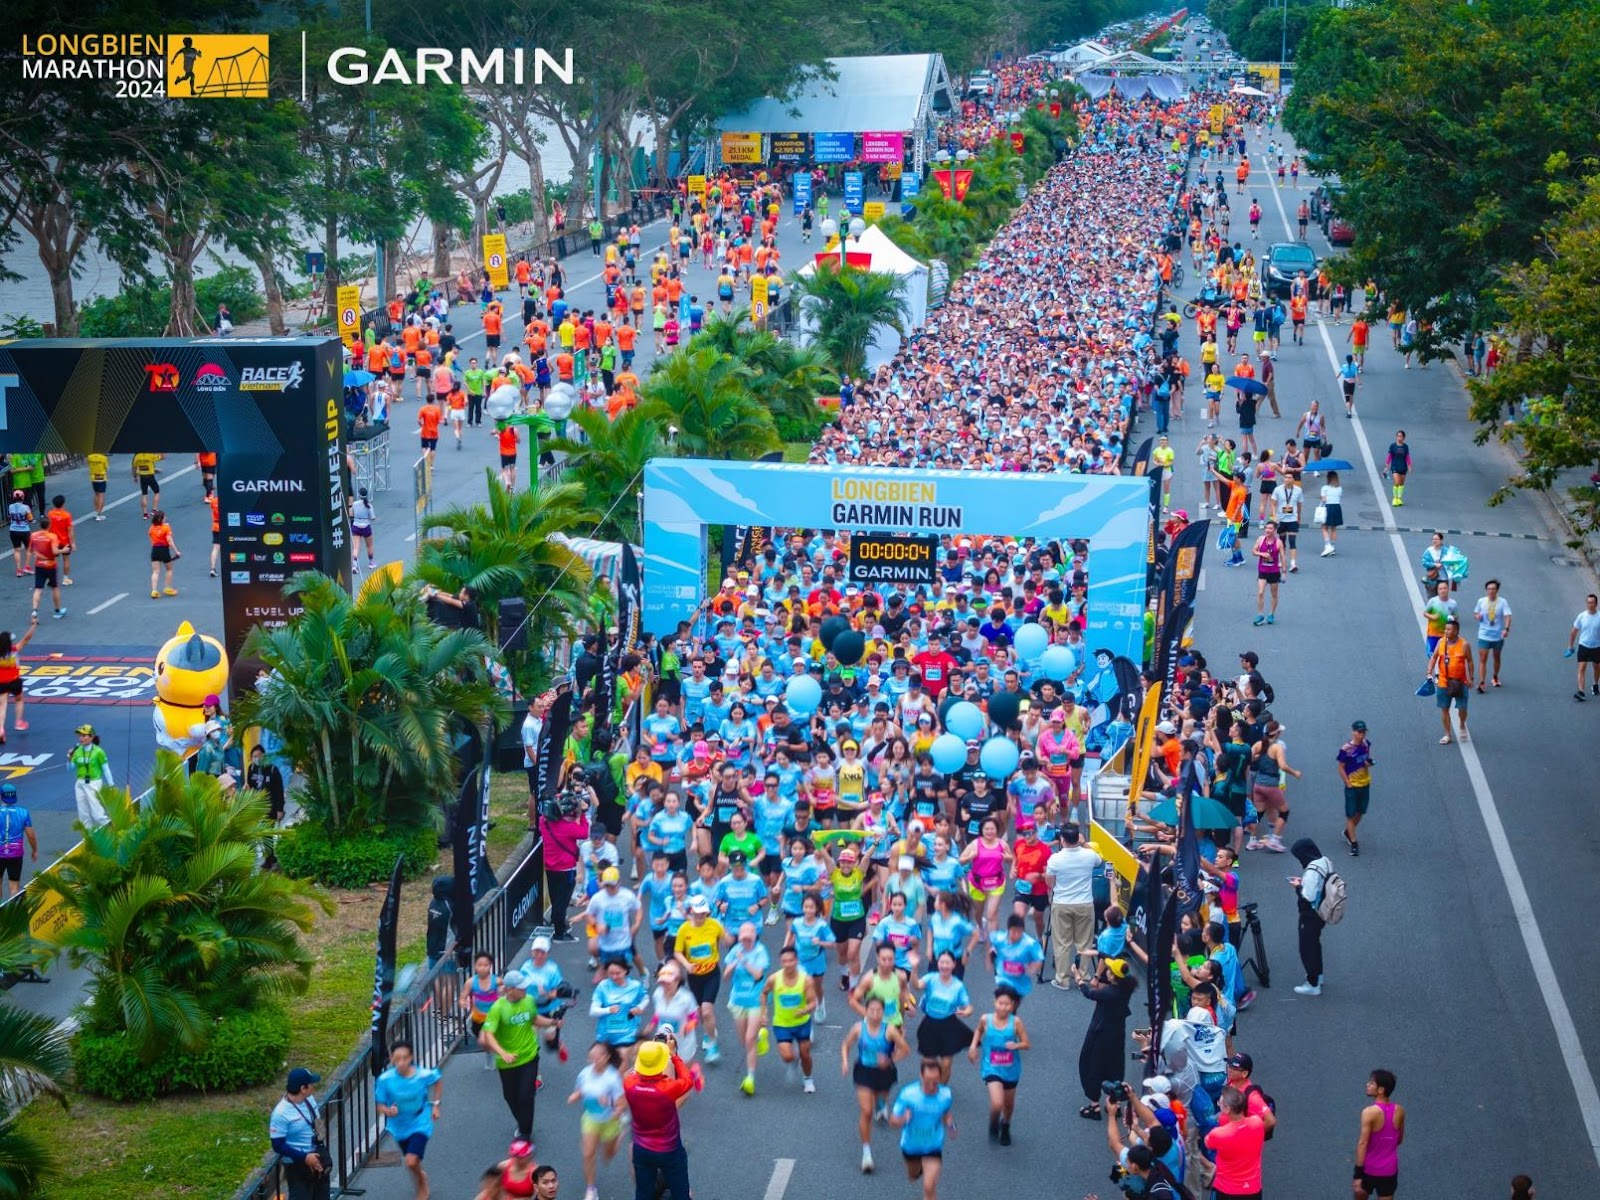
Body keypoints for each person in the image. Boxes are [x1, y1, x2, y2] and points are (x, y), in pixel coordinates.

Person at [481, 969, 563, 1142]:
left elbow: (534, 1019)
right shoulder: (497, 1008)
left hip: (529, 1055)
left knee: (526, 1095)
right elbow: (488, 1035)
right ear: (510, 989)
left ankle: (525, 1133)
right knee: (510, 1097)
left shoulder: (529, 1000)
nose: (525, 990)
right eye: (521, 988)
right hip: (507, 1061)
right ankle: (523, 1122)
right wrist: (502, 1053)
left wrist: (553, 1022)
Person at [622, 1037, 699, 1200]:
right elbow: (687, 1080)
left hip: (642, 1150)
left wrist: (648, 1055)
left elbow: (633, 1072)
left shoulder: (629, 1084)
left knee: (643, 1194)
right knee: (681, 1194)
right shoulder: (668, 1089)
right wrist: (672, 1054)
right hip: (669, 1151)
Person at [842, 991, 910, 1173]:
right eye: (871, 1010)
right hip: (864, 1071)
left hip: (884, 1072)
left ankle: (882, 1103)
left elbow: (905, 1049)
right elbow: (845, 1044)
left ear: (883, 1012)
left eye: (878, 1010)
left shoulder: (889, 1030)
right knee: (866, 1111)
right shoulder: (858, 1028)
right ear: (866, 1010)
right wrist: (845, 1061)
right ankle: (866, 1154)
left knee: (882, 1096)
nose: (874, 1014)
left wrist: (889, 1060)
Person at [374, 1041, 442, 1200]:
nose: (401, 1062)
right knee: (412, 1161)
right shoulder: (385, 1080)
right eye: (397, 1059)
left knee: (411, 1161)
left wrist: (436, 1105)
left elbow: (437, 1079)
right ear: (391, 1058)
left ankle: (421, 1183)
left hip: (420, 1121)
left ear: (411, 1057)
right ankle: (420, 1175)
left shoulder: (422, 1075)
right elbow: (379, 1105)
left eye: (405, 1058)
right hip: (399, 1126)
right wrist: (388, 1111)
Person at [968, 983, 1029, 1145]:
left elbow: (1026, 1043)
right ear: (994, 1002)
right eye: (1000, 1003)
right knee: (997, 1102)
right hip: (991, 1067)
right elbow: (979, 1030)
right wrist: (973, 1046)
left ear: (1012, 1005)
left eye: (1007, 1004)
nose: (1002, 1007)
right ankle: (994, 1123)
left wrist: (1016, 1045)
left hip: (1011, 1068)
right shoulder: (985, 1019)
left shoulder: (1016, 1022)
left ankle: (1005, 1124)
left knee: (1008, 1104)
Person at [1077, 957, 1137, 1120]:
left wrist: (1079, 980)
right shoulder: (1127, 986)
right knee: (1115, 1066)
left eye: (1109, 970)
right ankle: (1115, 1102)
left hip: (1100, 1034)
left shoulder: (1109, 993)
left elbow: (1089, 993)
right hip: (1117, 1034)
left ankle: (1094, 1106)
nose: (1107, 972)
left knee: (1092, 1066)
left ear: (1112, 976)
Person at [889, 1058, 955, 1200]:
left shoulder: (945, 1095)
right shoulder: (908, 1094)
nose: (931, 1086)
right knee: (913, 1175)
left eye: (935, 1081)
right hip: (911, 1146)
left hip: (933, 1146)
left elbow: (946, 1113)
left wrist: (950, 1125)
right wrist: (903, 1119)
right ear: (920, 1076)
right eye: (927, 1081)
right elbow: (893, 1121)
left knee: (929, 1186)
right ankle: (917, 1171)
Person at [567, 1041, 626, 1200]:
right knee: (588, 1153)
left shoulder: (613, 1078)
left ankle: (619, 1136)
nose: (594, 1058)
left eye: (598, 1055)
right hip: (591, 1118)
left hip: (610, 1121)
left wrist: (610, 1104)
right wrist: (576, 1096)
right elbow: (581, 1089)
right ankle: (591, 1189)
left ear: (606, 1057)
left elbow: (623, 1103)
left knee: (608, 1156)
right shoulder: (584, 1074)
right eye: (591, 1055)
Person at [1045, 822, 1102, 988]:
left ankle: (1062, 979)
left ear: (1062, 839)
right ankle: (1083, 976)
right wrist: (1084, 843)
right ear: (1078, 837)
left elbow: (1050, 882)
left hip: (1062, 903)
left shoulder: (1055, 859)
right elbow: (1099, 861)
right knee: (1084, 942)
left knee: (1062, 942)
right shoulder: (1089, 855)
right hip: (1084, 903)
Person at [673, 895, 728, 1063]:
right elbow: (677, 952)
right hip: (694, 976)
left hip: (711, 973)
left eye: (703, 913)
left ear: (707, 913)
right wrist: (686, 965)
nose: (700, 917)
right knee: (700, 1012)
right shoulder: (684, 929)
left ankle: (712, 1044)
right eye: (697, 913)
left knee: (706, 1009)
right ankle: (709, 1031)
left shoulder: (715, 926)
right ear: (691, 912)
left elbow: (729, 942)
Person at [761, 944, 819, 1092]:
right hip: (782, 1024)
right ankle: (793, 1061)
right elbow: (764, 993)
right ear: (781, 962)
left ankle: (808, 1079)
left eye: (791, 961)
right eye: (784, 961)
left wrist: (805, 1009)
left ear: (797, 961)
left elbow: (813, 1002)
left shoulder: (806, 980)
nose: (788, 964)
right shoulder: (774, 978)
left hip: (802, 1023)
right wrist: (763, 1012)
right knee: (787, 1056)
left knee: (805, 1054)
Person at [270, 1067, 330, 1200]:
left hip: (317, 1158)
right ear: (303, 1088)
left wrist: (320, 1146)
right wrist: (305, 1157)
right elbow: (277, 1145)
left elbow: (316, 1120)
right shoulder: (280, 1114)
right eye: (311, 1084)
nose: (313, 1087)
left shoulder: (309, 1099)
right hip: (298, 1166)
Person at [1289, 837, 1334, 995]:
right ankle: (1318, 975)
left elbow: (1307, 896)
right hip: (1324, 909)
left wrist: (1298, 886)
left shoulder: (1311, 870)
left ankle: (1312, 983)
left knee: (1306, 946)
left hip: (1311, 913)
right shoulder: (1325, 861)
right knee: (1314, 943)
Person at [1205, 1086, 1266, 1200]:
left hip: (1226, 1191)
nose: (1218, 1104)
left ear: (1227, 1109)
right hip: (1252, 1189)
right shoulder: (1257, 1123)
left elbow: (1208, 1143)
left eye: (1220, 1103)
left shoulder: (1219, 1134)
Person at [1354, 1067, 1406, 1200]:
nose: (1367, 1084)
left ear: (1381, 1090)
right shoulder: (1400, 1111)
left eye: (1371, 1083)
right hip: (1389, 1171)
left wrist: (1357, 1175)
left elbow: (1362, 1143)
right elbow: (1399, 1139)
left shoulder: (1369, 1112)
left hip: (1368, 1170)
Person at [1427, 618, 1472, 744]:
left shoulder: (1464, 645)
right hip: (1443, 682)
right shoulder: (1441, 642)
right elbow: (1434, 657)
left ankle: (1462, 723)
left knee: (1462, 708)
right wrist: (1429, 671)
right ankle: (1447, 734)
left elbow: (1470, 661)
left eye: (1449, 629)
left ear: (1456, 631)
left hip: (1460, 682)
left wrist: (1471, 678)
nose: (1446, 631)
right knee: (1444, 708)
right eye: (1445, 629)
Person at [1337, 720, 1374, 856]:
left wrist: (1368, 763)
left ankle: (1348, 831)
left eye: (1363, 731)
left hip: (1365, 783)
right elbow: (1340, 767)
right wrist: (1347, 782)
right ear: (1353, 732)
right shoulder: (1346, 749)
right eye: (1359, 732)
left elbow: (1366, 760)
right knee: (1351, 814)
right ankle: (1354, 843)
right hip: (1353, 785)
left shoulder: (1366, 744)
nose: (1362, 734)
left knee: (1361, 811)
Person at [0, 618, 39, 743]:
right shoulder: (15, 650)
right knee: (19, 699)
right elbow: (27, 638)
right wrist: (33, 626)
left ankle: (0, 729)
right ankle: (18, 722)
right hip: (15, 681)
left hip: (1, 683)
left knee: (2, 706)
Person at [69, 723, 112, 828]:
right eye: (80, 736)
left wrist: (111, 785)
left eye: (84, 735)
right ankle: (88, 838)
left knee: (98, 815)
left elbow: (106, 769)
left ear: (91, 737)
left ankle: (113, 830)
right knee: (83, 816)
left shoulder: (98, 752)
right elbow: (70, 768)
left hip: (94, 783)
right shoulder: (77, 751)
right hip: (80, 783)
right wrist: (69, 757)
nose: (81, 738)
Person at [0, 782, 38, 901]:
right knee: (14, 884)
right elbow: (30, 835)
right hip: (15, 854)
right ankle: (12, 913)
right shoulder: (23, 812)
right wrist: (34, 850)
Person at [1472, 579, 1512, 691]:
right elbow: (1475, 613)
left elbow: (1507, 616)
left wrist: (1506, 629)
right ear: (1486, 590)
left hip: (1498, 636)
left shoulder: (1502, 602)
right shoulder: (1481, 601)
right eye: (1489, 589)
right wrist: (1477, 616)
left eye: (1493, 589)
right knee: (1483, 658)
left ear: (1497, 590)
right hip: (1484, 635)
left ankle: (1495, 676)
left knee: (1496, 657)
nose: (1491, 591)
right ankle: (1481, 682)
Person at [27, 516, 64, 620]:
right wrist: (64, 550)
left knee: (38, 589)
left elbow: (30, 550)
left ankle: (34, 611)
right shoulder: (52, 536)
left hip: (39, 565)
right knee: (54, 587)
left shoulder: (33, 535)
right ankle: (57, 610)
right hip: (51, 565)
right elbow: (55, 552)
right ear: (49, 525)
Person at [1566, 593, 1600, 701]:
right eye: (1589, 603)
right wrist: (1570, 646)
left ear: (1596, 604)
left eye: (1592, 603)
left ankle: (1595, 684)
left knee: (1597, 667)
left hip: (1596, 646)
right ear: (1586, 603)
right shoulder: (1582, 616)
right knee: (1582, 667)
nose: (1590, 605)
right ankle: (1581, 691)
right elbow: (1574, 632)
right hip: (1583, 645)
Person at [1250, 520, 1282, 626]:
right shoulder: (1260, 539)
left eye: (1270, 528)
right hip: (1262, 571)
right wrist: (1262, 554)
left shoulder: (1278, 542)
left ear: (1275, 530)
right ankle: (1260, 615)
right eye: (1266, 528)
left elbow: (1282, 557)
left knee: (1274, 594)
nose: (1267, 530)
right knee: (1260, 592)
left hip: (1274, 572)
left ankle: (1271, 614)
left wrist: (1285, 572)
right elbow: (1253, 551)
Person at [148, 509, 180, 597]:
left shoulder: (152, 528)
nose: (165, 518)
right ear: (161, 519)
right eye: (164, 517)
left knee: (155, 571)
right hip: (164, 550)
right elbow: (170, 540)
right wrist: (176, 551)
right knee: (169, 569)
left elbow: (150, 536)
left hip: (155, 550)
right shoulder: (166, 527)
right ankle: (168, 588)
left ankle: (154, 591)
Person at [1318, 471, 1343, 557]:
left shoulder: (1325, 487)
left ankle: (1327, 545)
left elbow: (1323, 500)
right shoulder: (1339, 488)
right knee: (1333, 528)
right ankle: (1333, 547)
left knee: (1324, 527)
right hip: (1337, 507)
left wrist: (1321, 497)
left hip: (1328, 507)